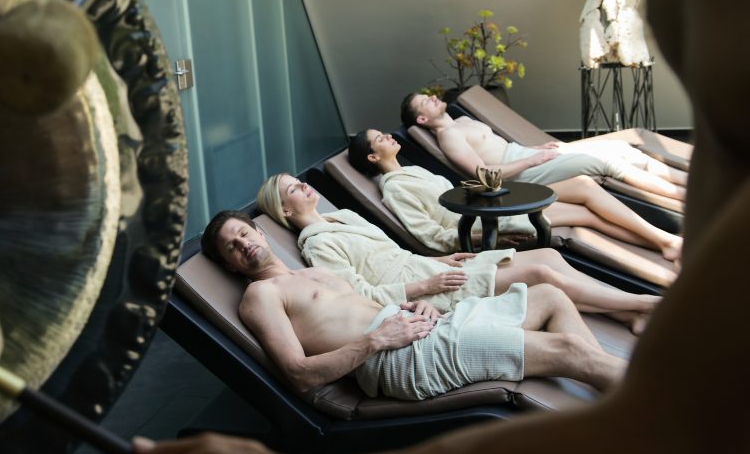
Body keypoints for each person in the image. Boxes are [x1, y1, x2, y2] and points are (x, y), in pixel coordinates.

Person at [101, 0, 750, 454]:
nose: (245, 238)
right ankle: (603, 351)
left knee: (580, 297)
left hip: (418, 317)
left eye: (243, 230)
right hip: (405, 334)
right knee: (571, 281)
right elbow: (304, 368)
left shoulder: (311, 249)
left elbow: (669, 440)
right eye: (239, 238)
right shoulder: (284, 273)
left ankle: (602, 355)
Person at [200, 209, 624, 402]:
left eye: (244, 234)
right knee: (566, 352)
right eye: (232, 248)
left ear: (260, 232)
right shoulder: (261, 296)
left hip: (417, 329)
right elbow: (298, 376)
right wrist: (375, 341)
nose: (243, 245)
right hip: (400, 359)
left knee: (550, 296)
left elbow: (370, 304)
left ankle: (611, 390)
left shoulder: (313, 276)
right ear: (230, 265)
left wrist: (419, 309)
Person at [257, 172, 657, 334]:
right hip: (430, 292)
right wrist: (426, 282)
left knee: (550, 257)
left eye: (300, 182)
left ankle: (627, 314)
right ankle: (645, 303)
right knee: (542, 276)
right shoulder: (318, 244)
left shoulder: (340, 217)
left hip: (433, 269)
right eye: (294, 189)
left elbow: (393, 251)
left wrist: (440, 261)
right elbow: (359, 293)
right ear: (286, 210)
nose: (305, 187)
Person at [349, 128, 684, 262]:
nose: (388, 136)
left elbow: (453, 195)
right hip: (493, 221)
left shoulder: (412, 172)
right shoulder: (394, 188)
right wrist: (489, 233)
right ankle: (665, 242)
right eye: (379, 138)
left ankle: (664, 240)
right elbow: (431, 236)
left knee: (584, 186)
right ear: (373, 157)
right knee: (585, 214)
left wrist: (482, 191)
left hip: (494, 204)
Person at [401, 92, 687, 202]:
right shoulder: (449, 137)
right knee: (608, 163)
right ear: (422, 118)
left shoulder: (461, 120)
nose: (432, 97)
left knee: (624, 149)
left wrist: (535, 149)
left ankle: (690, 184)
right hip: (523, 174)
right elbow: (486, 175)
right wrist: (532, 161)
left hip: (525, 156)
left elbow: (499, 146)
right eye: (424, 101)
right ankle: (681, 199)